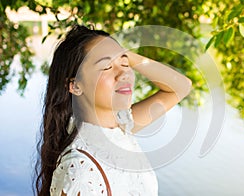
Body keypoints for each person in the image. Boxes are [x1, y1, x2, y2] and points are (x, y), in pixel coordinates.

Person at [35, 24, 192, 196]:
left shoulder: (120, 128)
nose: (123, 74)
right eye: (107, 67)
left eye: (125, 64)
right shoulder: (81, 171)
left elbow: (181, 87)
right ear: (75, 86)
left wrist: (124, 53)